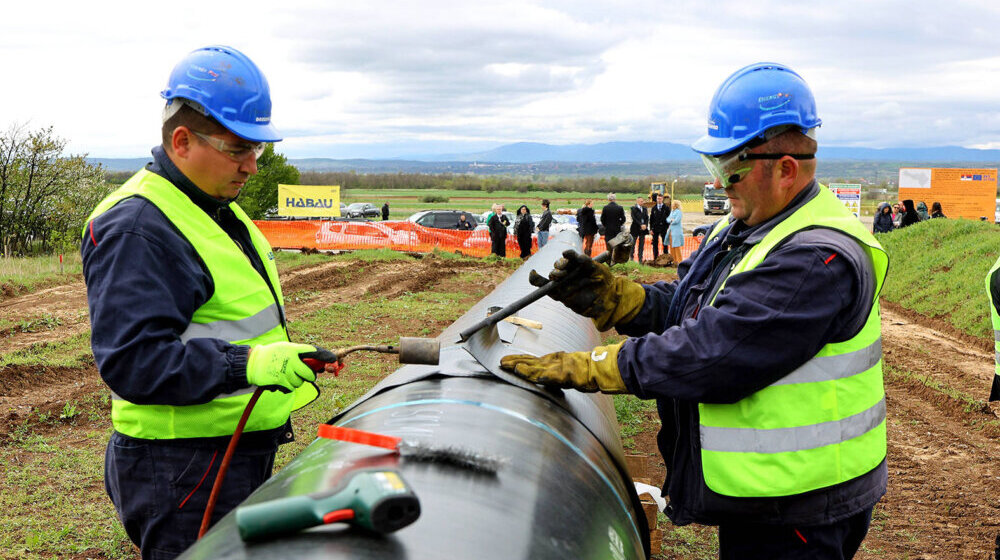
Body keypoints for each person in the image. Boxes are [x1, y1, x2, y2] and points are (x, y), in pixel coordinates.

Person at [502, 62, 888, 559]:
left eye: (730, 170)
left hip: (802, 507)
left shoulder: (815, 258)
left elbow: (714, 352)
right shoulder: (750, 224)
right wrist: (622, 298)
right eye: (715, 168)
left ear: (787, 168)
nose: (722, 185)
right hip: (768, 493)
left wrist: (593, 365)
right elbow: (695, 306)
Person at [81, 46, 325, 559]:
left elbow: (227, 321)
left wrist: (282, 358)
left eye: (256, 149)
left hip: (229, 452)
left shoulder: (212, 206)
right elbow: (134, 362)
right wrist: (249, 364)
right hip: (181, 470)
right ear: (182, 140)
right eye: (238, 148)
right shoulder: (139, 227)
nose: (252, 167)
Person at [649, 193, 670, 259]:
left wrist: (666, 227)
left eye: (660, 199)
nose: (659, 200)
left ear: (662, 199)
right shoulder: (654, 208)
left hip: (663, 228)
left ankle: (665, 257)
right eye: (658, 198)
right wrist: (651, 229)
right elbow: (651, 219)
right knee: (655, 243)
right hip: (655, 228)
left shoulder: (666, 208)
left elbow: (669, 218)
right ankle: (655, 257)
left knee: (665, 243)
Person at [630, 195, 649, 262]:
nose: (642, 202)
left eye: (642, 201)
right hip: (635, 228)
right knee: (633, 244)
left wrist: (645, 225)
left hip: (643, 230)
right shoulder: (633, 208)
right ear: (637, 202)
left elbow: (647, 218)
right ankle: (631, 258)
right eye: (641, 201)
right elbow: (634, 218)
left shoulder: (644, 209)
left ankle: (640, 259)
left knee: (641, 245)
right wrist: (641, 224)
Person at [666, 199, 684, 265]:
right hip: (671, 231)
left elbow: (676, 221)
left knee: (677, 246)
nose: (672, 205)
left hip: (676, 231)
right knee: (672, 246)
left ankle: (679, 261)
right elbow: (667, 219)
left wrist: (672, 220)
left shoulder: (679, 212)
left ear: (676, 205)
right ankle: (674, 260)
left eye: (673, 204)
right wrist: (671, 220)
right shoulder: (672, 212)